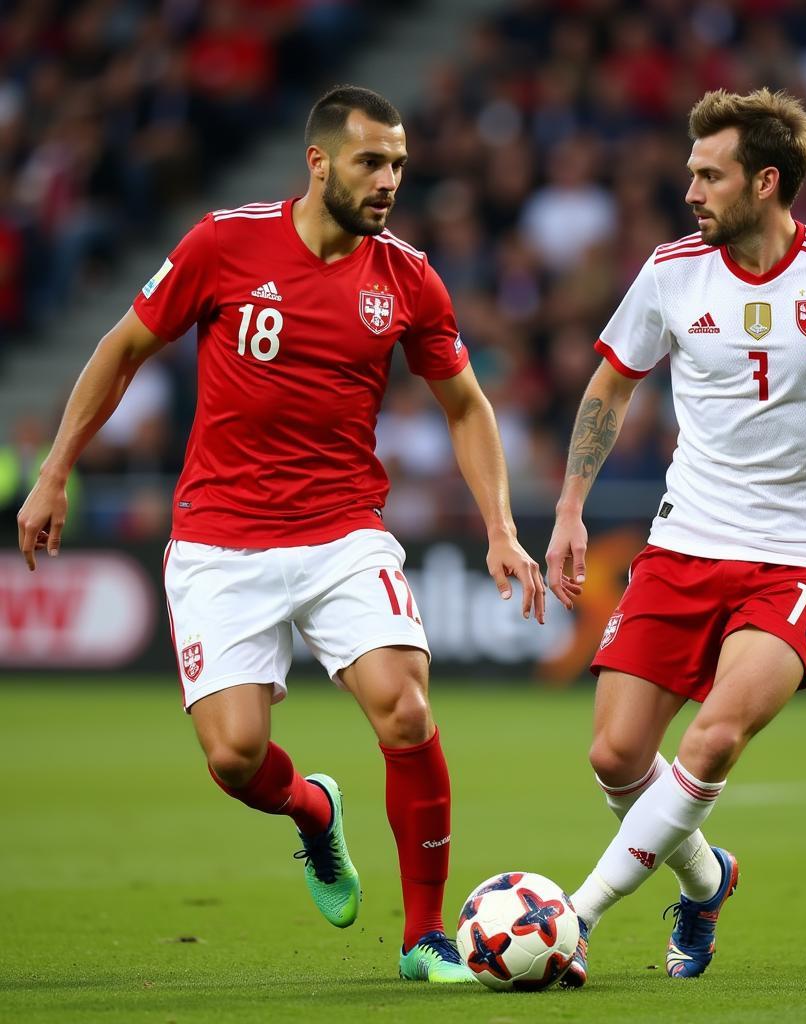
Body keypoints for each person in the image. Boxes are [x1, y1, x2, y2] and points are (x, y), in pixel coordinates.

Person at [17, 84, 546, 983]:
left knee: (407, 707)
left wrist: (500, 525)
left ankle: (422, 939)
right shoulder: (225, 242)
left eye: (398, 166)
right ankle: (312, 812)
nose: (388, 182)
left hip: (343, 531)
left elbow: (466, 404)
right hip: (222, 537)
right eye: (370, 162)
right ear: (318, 162)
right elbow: (121, 349)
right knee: (234, 757)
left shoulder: (407, 276)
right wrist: (56, 468)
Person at [544, 87, 806, 986]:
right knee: (613, 755)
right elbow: (609, 387)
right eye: (691, 171)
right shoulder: (671, 270)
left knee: (714, 740)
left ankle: (576, 916)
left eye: (709, 174)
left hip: (804, 557)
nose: (691, 189)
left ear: (765, 182)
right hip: (687, 541)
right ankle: (706, 877)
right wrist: (569, 509)